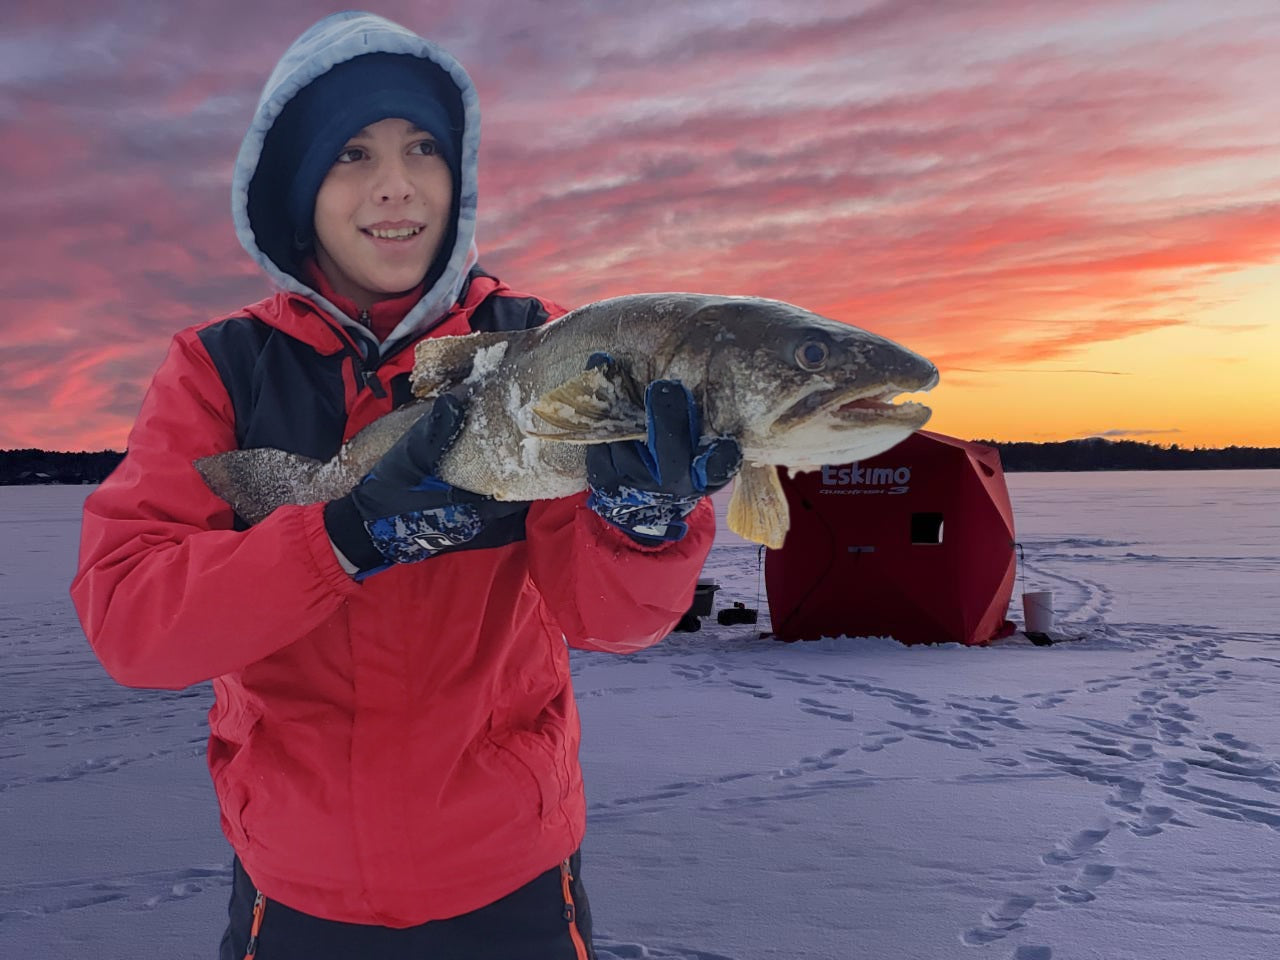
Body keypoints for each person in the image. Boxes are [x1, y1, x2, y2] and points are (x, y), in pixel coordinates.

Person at [69, 11, 740, 960]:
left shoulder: (545, 345)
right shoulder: (219, 369)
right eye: (352, 154)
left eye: (423, 147)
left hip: (511, 881)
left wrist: (643, 526)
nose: (396, 184)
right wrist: (341, 537)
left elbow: (608, 621)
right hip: (297, 894)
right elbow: (132, 622)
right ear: (296, 188)